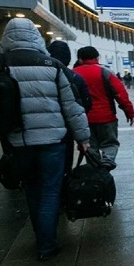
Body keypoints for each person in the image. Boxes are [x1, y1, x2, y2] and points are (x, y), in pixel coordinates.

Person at [0, 18, 90, 261]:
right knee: (50, 190)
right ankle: (47, 245)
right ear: (36, 38)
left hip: (18, 141)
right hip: (53, 139)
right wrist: (83, 138)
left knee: (32, 189)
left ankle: (42, 240)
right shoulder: (52, 64)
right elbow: (72, 107)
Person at [73, 46, 134, 170]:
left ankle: (95, 171)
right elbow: (120, 94)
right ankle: (107, 162)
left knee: (91, 146)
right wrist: (129, 112)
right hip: (106, 117)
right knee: (110, 143)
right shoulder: (105, 72)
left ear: (80, 59)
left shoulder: (72, 74)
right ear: (97, 57)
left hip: (83, 119)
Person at [47, 40, 92, 174]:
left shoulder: (39, 73)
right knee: (63, 168)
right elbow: (84, 106)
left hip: (29, 134)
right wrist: (81, 137)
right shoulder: (74, 77)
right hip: (65, 131)